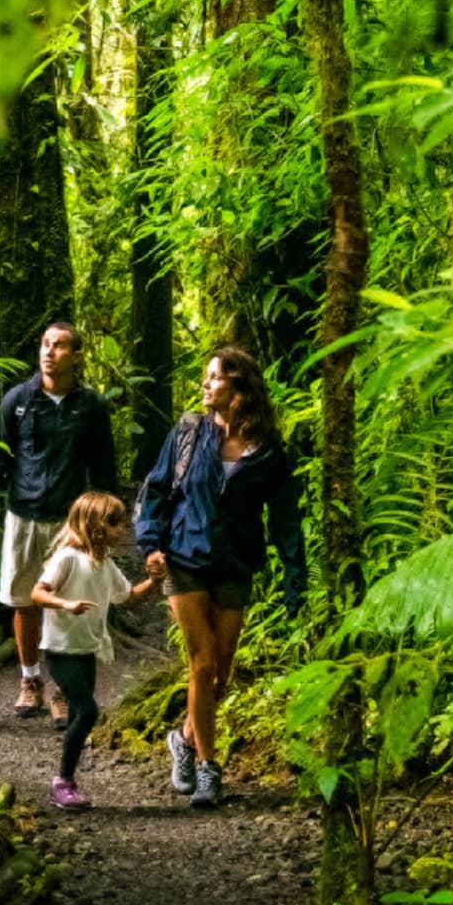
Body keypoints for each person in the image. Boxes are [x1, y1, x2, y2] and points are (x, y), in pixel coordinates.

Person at [136, 346, 306, 809]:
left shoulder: (268, 451)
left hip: (235, 563)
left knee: (220, 678)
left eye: (214, 378)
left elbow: (285, 518)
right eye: (206, 377)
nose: (205, 385)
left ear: (239, 388)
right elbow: (155, 490)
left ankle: (185, 740)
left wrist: (295, 579)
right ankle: (210, 769)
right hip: (184, 556)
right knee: (203, 664)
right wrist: (151, 544)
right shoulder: (189, 432)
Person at [0, 320, 119, 721]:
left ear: (75, 355)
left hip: (69, 522)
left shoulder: (90, 406)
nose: (49, 352)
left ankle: (62, 689)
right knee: (24, 601)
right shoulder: (18, 400)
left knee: (63, 605)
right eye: (45, 344)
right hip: (23, 515)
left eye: (58, 346)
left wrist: (104, 521)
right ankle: (30, 680)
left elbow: (104, 468)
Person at [31, 492, 157, 809]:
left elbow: (128, 597)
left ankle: (67, 781)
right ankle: (61, 781)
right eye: (117, 524)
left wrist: (155, 580)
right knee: (88, 712)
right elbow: (38, 592)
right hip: (60, 650)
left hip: (87, 649)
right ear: (96, 524)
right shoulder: (67, 558)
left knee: (78, 713)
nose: (123, 530)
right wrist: (65, 604)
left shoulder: (105, 564)